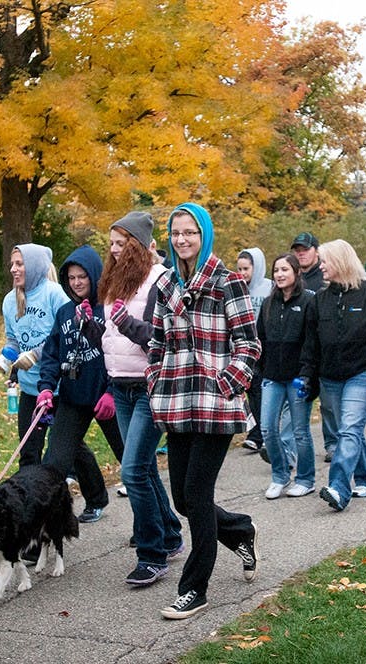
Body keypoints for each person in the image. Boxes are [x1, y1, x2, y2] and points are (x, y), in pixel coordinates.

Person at [147, 203, 260, 620]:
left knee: (197, 493)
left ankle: (194, 589)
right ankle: (239, 530)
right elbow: (157, 342)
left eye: (190, 232)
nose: (182, 240)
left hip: (216, 405)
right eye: (176, 233)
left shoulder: (227, 283)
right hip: (177, 402)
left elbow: (249, 344)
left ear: (204, 234)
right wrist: (155, 377)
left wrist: (225, 383)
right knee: (182, 499)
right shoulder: (165, 286)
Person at [97, 212, 183, 585]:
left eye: (121, 244)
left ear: (137, 245)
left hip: (151, 386)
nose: (114, 250)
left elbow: (161, 336)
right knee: (144, 467)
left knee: (132, 470)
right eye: (112, 243)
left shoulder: (159, 281)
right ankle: (170, 534)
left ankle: (152, 555)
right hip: (121, 385)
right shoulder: (114, 279)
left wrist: (125, 322)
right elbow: (111, 335)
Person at [300, 239, 366, 510]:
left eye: (325, 261)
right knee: (349, 430)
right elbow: (311, 344)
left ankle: (339, 489)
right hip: (330, 377)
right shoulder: (318, 301)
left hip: (362, 373)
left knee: (349, 429)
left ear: (341, 261)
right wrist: (307, 376)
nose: (321, 266)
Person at [36, 245, 125, 525]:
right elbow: (52, 354)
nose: (76, 283)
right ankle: (43, 533)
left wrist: (112, 392)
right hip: (74, 399)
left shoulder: (109, 306)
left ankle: (160, 530)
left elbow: (121, 352)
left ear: (95, 276)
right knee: (54, 464)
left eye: (82, 276)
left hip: (108, 400)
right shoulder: (64, 313)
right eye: (72, 278)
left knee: (135, 466)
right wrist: (46, 388)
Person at [1, 243, 71, 467]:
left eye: (19, 264)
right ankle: (28, 499)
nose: (14, 269)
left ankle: (96, 497)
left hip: (58, 387)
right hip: (31, 388)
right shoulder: (9, 300)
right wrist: (7, 356)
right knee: (28, 451)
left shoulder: (54, 294)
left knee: (70, 449)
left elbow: (66, 334)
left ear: (34, 266)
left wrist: (36, 354)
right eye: (12, 264)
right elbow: (13, 338)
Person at [256, 253, 316, 496]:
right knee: (268, 428)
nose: (280, 274)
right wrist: (259, 369)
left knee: (300, 431)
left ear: (296, 273)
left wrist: (308, 373)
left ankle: (306, 478)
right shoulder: (268, 303)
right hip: (272, 375)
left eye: (285, 270)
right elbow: (260, 337)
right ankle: (280, 476)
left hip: (298, 376)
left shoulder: (310, 300)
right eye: (276, 270)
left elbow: (313, 340)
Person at [291, 231, 335, 462]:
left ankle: (333, 444)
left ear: (316, 251)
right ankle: (288, 448)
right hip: (298, 350)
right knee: (294, 403)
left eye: (305, 249)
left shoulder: (326, 276)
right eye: (297, 250)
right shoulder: (291, 275)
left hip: (324, 350)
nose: (301, 253)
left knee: (328, 403)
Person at [236, 247, 272, 454]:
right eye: (239, 269)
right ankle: (256, 433)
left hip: (266, 346)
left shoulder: (269, 287)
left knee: (261, 391)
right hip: (244, 347)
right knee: (250, 392)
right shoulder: (237, 288)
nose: (242, 273)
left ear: (256, 267)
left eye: (246, 269)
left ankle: (262, 434)